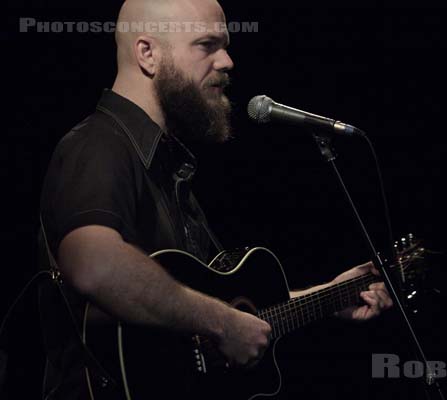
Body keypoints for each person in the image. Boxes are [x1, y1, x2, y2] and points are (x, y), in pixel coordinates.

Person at [38, 0, 393, 398]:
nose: (227, 61)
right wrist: (222, 323)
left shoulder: (168, 165)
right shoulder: (99, 145)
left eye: (225, 45)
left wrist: (330, 295)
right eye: (207, 45)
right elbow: (94, 265)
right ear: (147, 53)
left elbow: (220, 305)